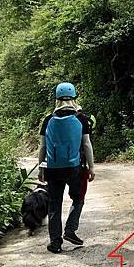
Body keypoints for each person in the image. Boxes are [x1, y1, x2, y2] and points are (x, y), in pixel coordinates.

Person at [37, 82, 95, 253]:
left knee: (54, 204)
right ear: (74, 98)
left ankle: (55, 243)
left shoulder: (48, 120)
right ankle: (70, 229)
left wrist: (41, 169)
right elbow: (86, 144)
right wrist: (91, 167)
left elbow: (42, 147)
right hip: (74, 168)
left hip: (53, 169)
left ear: (57, 99)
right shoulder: (81, 118)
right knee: (78, 198)